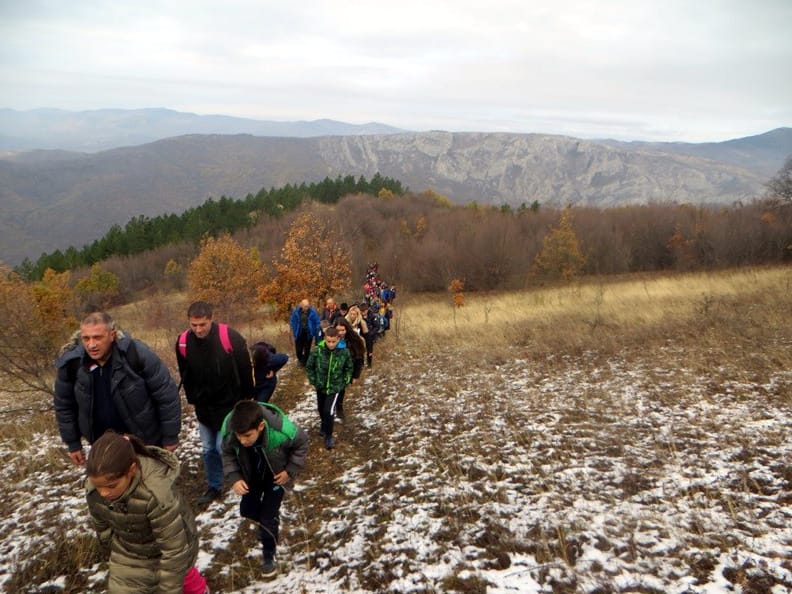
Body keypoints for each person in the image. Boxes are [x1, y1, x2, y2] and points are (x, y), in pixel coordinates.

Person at [85, 431, 208, 594]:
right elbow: (101, 524)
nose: (103, 493)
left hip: (170, 547)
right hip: (129, 551)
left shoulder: (155, 495)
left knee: (182, 577)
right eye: (98, 486)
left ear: (131, 470)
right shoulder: (95, 489)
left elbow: (174, 551)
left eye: (111, 486)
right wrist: (113, 547)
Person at [54, 311, 181, 466]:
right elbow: (64, 405)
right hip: (103, 447)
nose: (91, 345)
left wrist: (170, 436)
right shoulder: (72, 364)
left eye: (98, 337)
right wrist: (73, 443)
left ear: (112, 335)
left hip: (144, 442)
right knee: (113, 489)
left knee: (152, 488)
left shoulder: (136, 354)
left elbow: (166, 395)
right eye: (86, 338)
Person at [176, 301, 254, 505]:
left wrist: (247, 398)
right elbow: (184, 371)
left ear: (211, 319)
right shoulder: (183, 342)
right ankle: (214, 486)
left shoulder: (230, 337)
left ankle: (241, 477)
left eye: (202, 324)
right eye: (194, 325)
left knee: (223, 446)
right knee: (208, 448)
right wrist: (192, 397)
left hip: (229, 404)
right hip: (203, 407)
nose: (198, 329)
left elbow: (245, 367)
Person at [221, 400, 309, 579]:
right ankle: (268, 524)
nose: (242, 441)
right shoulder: (230, 430)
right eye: (239, 436)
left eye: (247, 436)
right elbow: (227, 454)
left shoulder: (283, 431)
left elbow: (302, 444)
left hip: (275, 477)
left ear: (260, 426)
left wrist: (289, 470)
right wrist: (235, 478)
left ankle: (269, 555)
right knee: (247, 510)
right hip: (250, 477)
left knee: (268, 518)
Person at [305, 326, 352, 449]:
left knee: (328, 410)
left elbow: (348, 368)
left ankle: (329, 435)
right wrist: (314, 380)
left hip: (335, 387)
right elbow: (309, 366)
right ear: (325, 339)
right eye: (328, 341)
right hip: (320, 386)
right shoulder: (318, 350)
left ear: (338, 339)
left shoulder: (344, 352)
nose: (331, 344)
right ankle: (324, 424)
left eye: (333, 342)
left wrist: (345, 381)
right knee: (321, 408)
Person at [333, 317, 366, 420]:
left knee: (341, 389)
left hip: (346, 370)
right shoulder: (330, 337)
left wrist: (356, 375)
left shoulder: (353, 339)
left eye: (343, 330)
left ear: (347, 329)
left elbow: (359, 358)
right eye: (338, 330)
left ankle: (339, 407)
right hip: (332, 369)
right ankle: (331, 407)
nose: (340, 332)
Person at [289, 299, 321, 367]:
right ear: (301, 305)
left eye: (308, 306)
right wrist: (294, 331)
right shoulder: (296, 312)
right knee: (298, 351)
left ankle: (304, 363)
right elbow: (292, 321)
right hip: (299, 334)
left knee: (307, 351)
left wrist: (315, 331)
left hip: (308, 334)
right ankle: (301, 360)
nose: (307, 307)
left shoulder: (312, 312)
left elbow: (317, 321)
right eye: (305, 306)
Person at [358, 301, 380, 368]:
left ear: (367, 310)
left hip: (370, 336)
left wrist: (371, 333)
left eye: (364, 311)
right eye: (361, 311)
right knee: (360, 350)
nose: (363, 312)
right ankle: (361, 364)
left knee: (369, 350)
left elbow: (377, 326)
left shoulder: (372, 316)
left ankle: (369, 364)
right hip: (361, 336)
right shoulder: (359, 317)